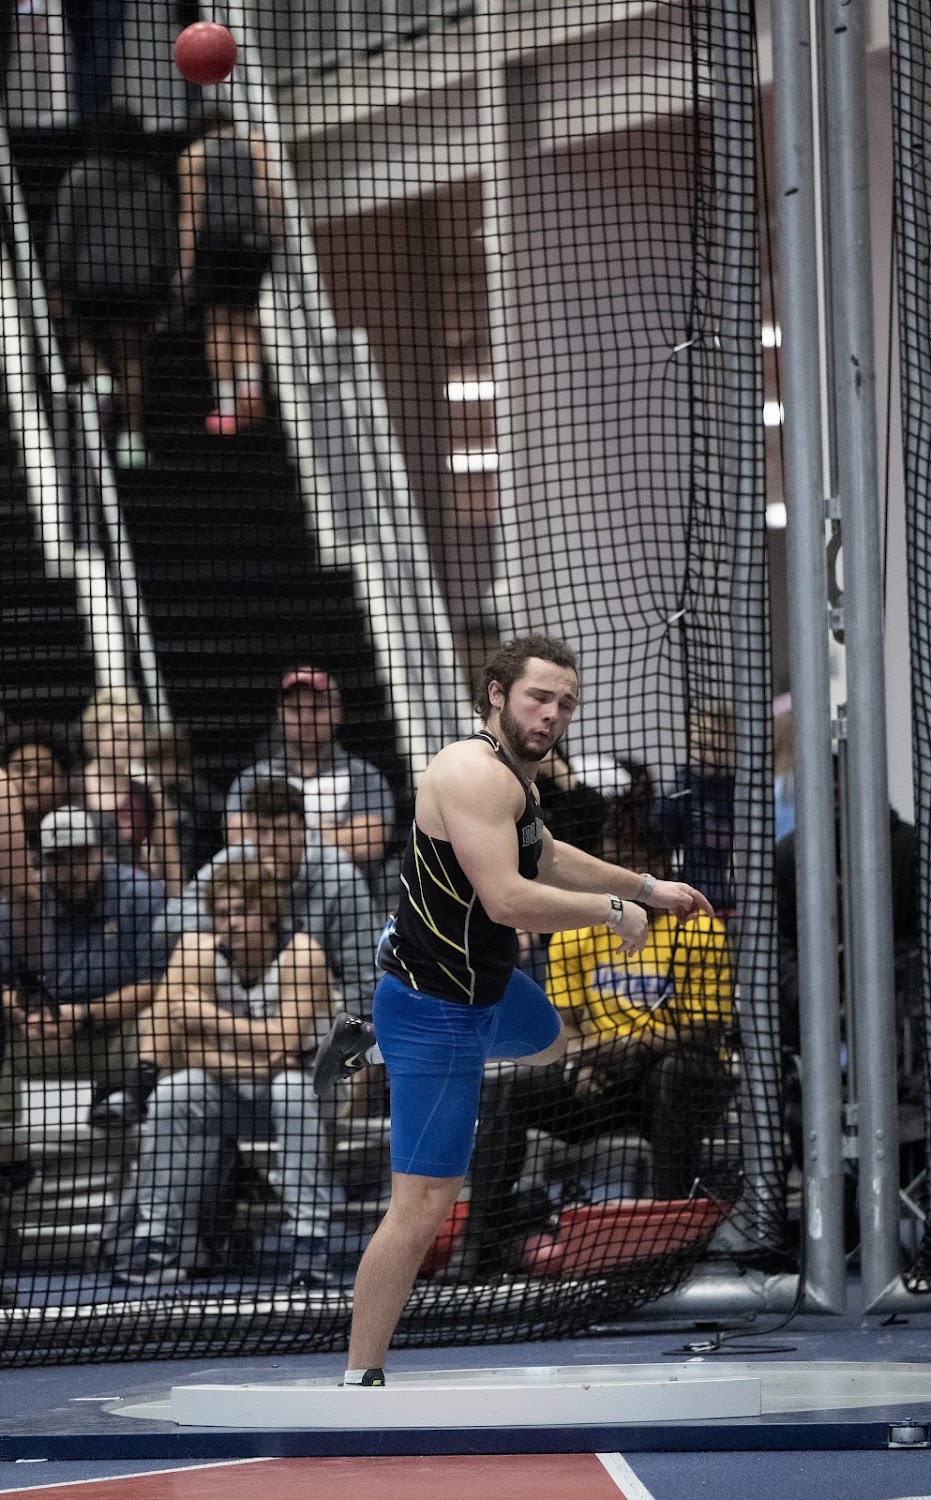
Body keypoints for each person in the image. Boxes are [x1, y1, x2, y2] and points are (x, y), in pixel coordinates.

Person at [311, 633, 714, 1386]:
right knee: (422, 1205)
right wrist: (610, 912)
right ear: (496, 693)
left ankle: (368, 1036)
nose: (553, 713)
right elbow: (507, 898)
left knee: (548, 1040)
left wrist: (646, 887)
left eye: (565, 703)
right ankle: (361, 1376)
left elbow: (547, 854)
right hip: (436, 1007)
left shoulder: (514, 777)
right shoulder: (471, 771)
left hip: (487, 986)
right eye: (538, 697)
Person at [455, 900, 734, 1277]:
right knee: (511, 1089)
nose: (639, 872)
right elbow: (565, 1027)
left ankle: (671, 1244)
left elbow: (709, 1027)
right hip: (605, 1076)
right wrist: (581, 1067)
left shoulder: (698, 930)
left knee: (672, 1073)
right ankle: (478, 1245)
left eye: (649, 867)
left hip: (681, 1076)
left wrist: (640, 1045)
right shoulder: (575, 932)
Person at [104, 859, 338, 1286]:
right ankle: (156, 1240)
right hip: (237, 1087)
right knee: (173, 1093)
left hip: (312, 1092)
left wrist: (209, 1016)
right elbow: (192, 1051)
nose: (230, 923)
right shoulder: (199, 955)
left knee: (290, 1088)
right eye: (222, 913)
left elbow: (285, 1038)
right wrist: (257, 1062)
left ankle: (310, 1243)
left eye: (242, 911)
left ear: (270, 913)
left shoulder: (302, 953)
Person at [159, 777, 380, 1015]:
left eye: (282, 831)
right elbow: (168, 923)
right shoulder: (237, 860)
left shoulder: (340, 878)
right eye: (261, 831)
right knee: (189, 951)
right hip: (239, 1003)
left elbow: (365, 979)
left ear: (303, 828)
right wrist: (234, 912)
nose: (271, 843)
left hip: (315, 1010)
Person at [0, 806, 169, 1103]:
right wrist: (31, 1015)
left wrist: (84, 1015)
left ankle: (144, 1116)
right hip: (39, 1039)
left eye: (81, 855)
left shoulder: (140, 894)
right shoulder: (19, 903)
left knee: (167, 1018)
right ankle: (6, 1128)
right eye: (58, 859)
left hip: (116, 1032)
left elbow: (157, 982)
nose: (72, 869)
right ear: (41, 862)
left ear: (101, 852)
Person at [42, 112, 179, 468]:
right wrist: (167, 297)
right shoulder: (153, 185)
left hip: (90, 282)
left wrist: (55, 282)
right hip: (139, 285)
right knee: (133, 361)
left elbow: (64, 233)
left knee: (79, 341)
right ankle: (132, 441)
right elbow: (168, 244)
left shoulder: (81, 178)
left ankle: (103, 383)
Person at [226, 667, 396, 880]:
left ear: (337, 712)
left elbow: (369, 843)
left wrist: (281, 837)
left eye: (316, 709)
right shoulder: (253, 778)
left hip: (343, 893)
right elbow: (236, 837)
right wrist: (330, 833)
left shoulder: (365, 777)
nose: (305, 719)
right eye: (295, 710)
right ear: (280, 713)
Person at [174, 119, 286, 435]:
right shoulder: (256, 143)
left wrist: (185, 262)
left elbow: (191, 212)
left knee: (218, 323)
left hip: (215, 243)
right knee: (246, 319)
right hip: (252, 240)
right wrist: (276, 231)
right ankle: (251, 392)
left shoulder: (193, 155)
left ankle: (226, 405)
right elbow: (268, 189)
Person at [652, 701, 736, 916]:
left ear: (731, 745)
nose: (701, 755)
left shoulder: (744, 790)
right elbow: (658, 834)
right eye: (697, 746)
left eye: (711, 747)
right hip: (694, 904)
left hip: (739, 903)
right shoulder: (682, 789)